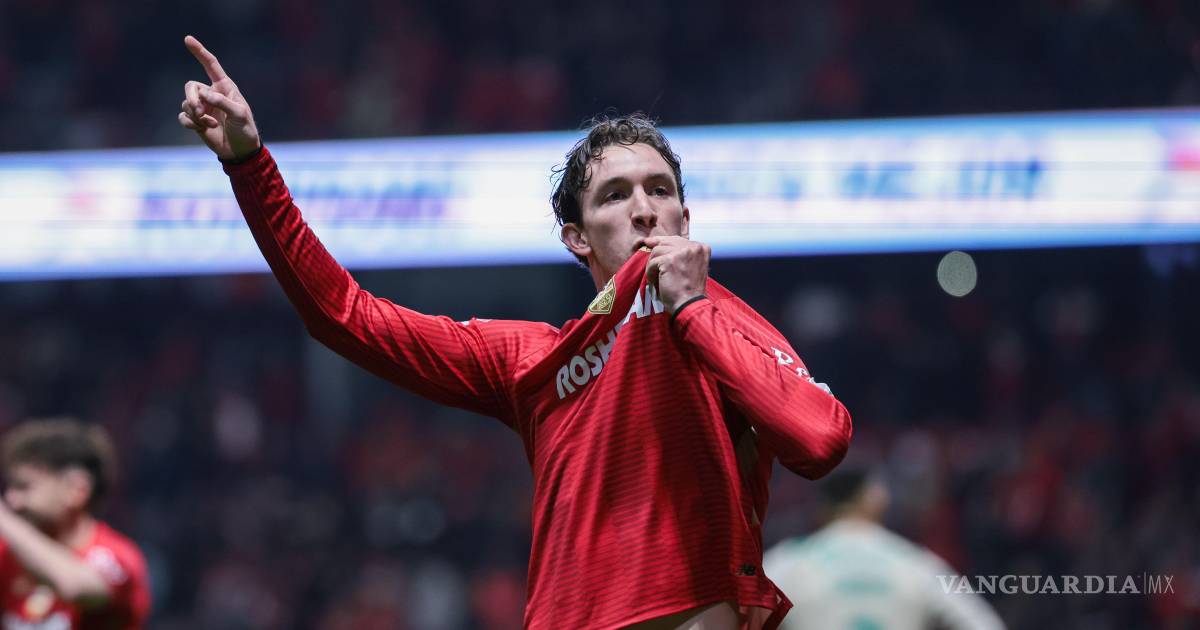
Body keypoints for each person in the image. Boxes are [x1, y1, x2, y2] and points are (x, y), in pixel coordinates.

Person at [178, 34, 852, 630]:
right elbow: (344, 315)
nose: (645, 209)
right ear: (576, 238)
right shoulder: (530, 357)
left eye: (660, 189)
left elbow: (819, 441)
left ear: (685, 216)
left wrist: (693, 309)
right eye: (615, 195)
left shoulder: (716, 317)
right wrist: (250, 165)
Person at [763, 468, 1005, 630]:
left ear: (822, 509)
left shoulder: (787, 563)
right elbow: (983, 624)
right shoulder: (914, 563)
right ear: (877, 501)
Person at [0, 418, 150, 629]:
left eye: (25, 487)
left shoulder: (116, 557)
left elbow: (74, 586)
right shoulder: (7, 554)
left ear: (77, 490)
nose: (11, 500)